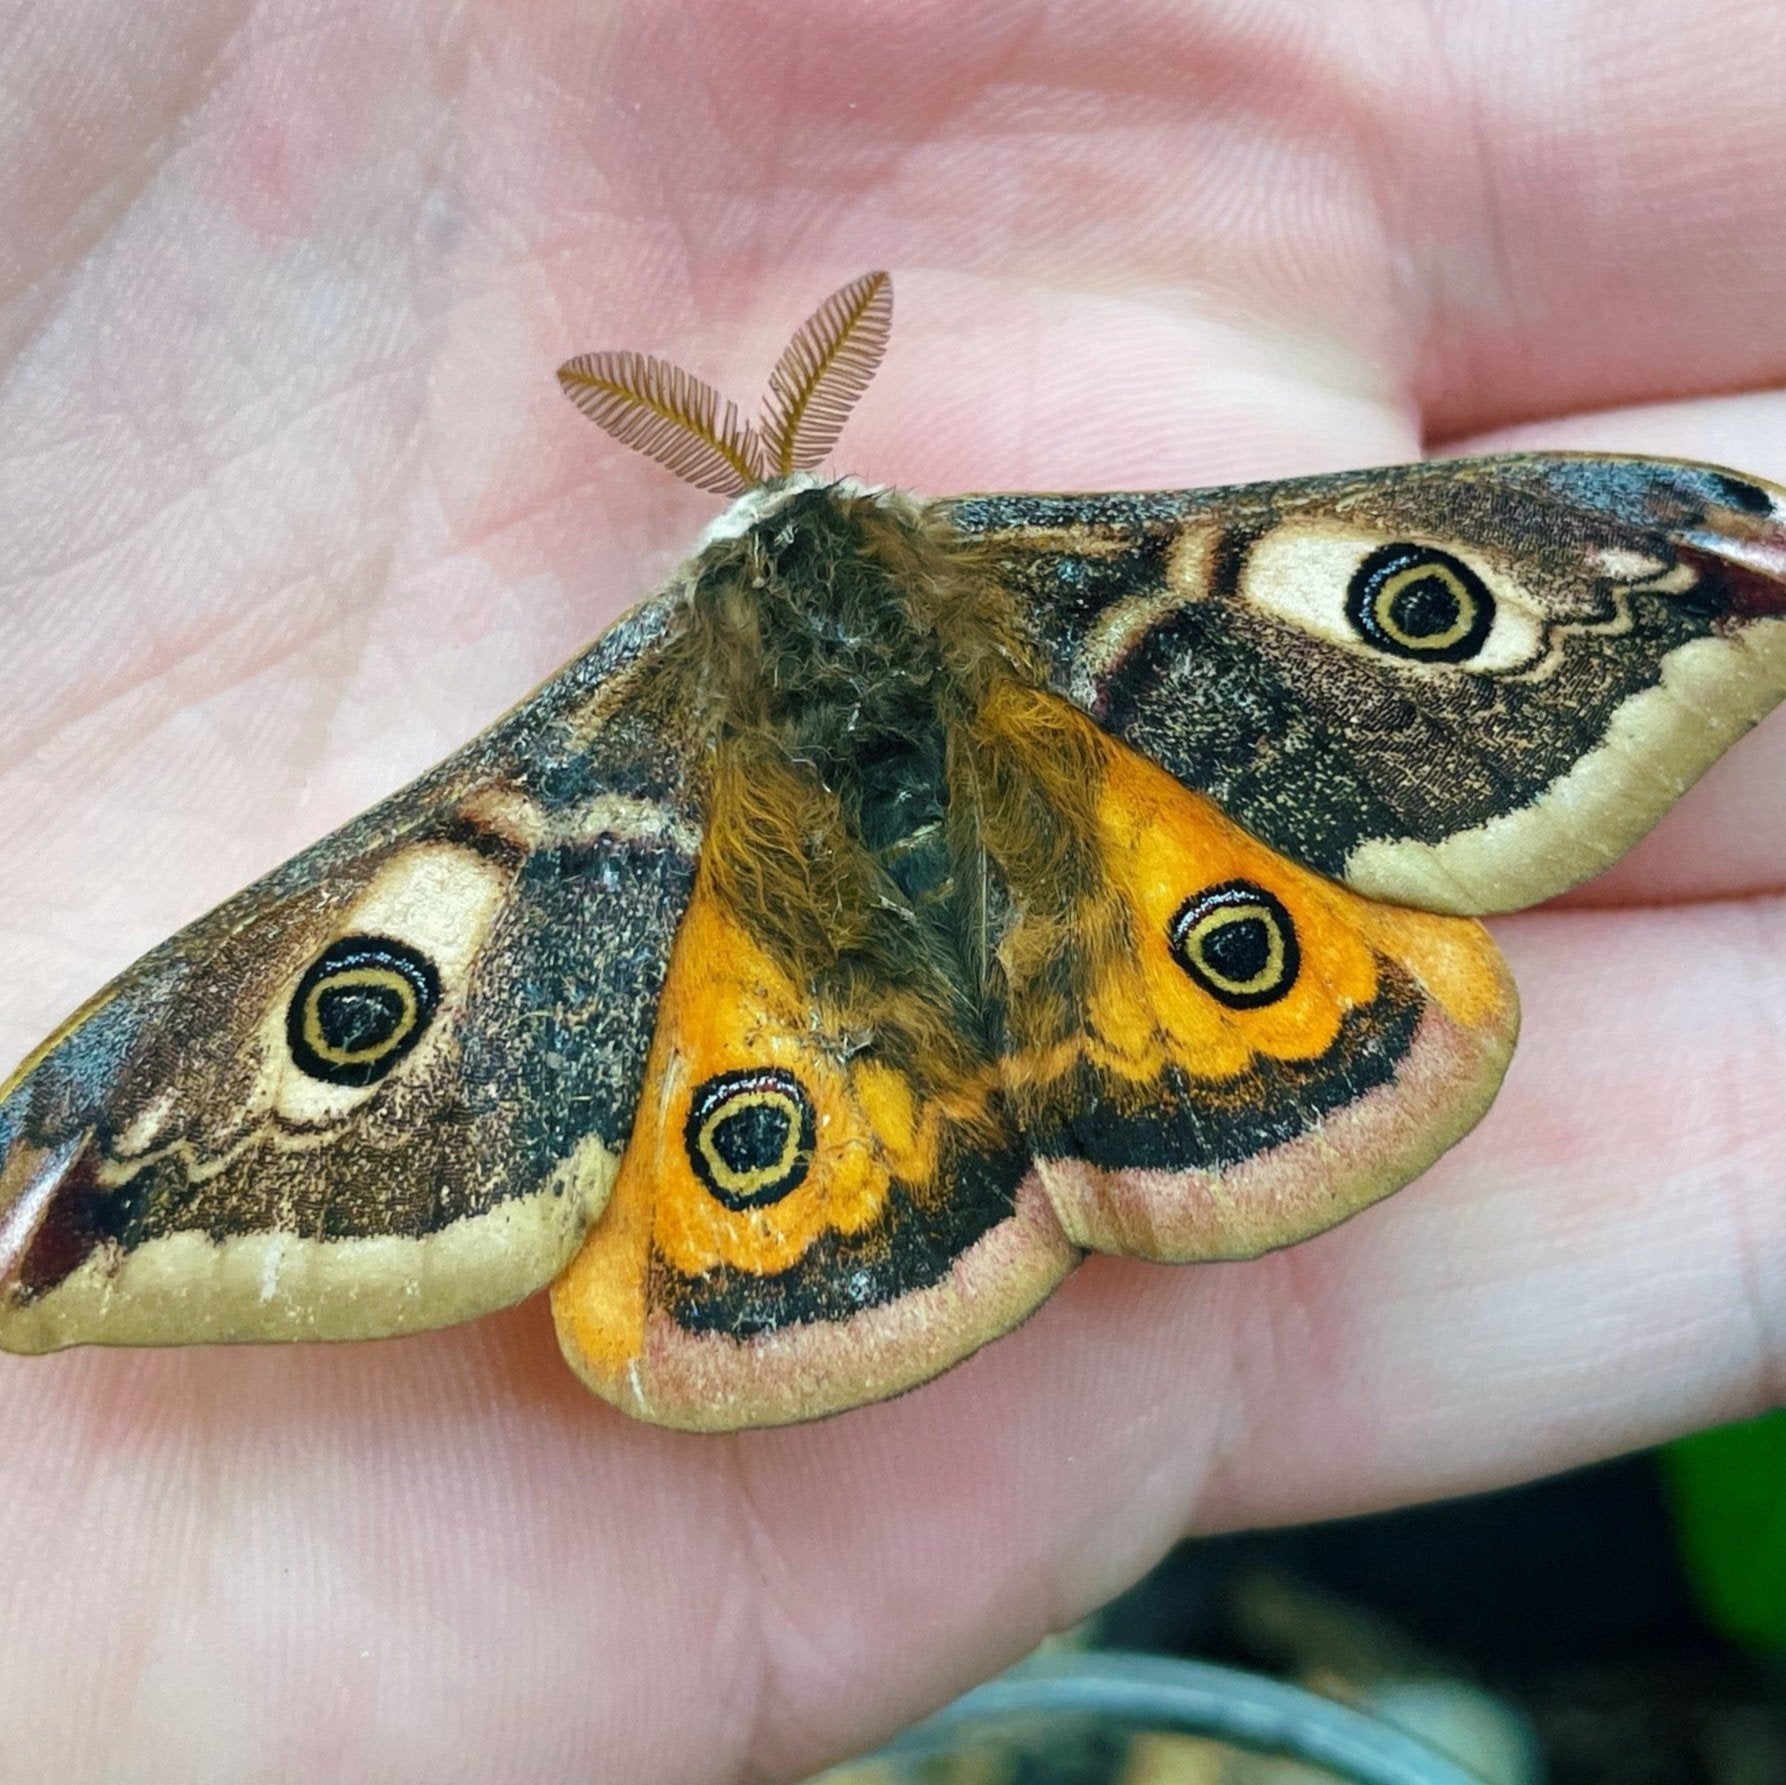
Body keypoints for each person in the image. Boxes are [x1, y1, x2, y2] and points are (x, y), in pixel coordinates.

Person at [1, 2, 1782, 1779]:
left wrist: (1688, 563)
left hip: (800, 1023)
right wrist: (82, 1170)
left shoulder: (568, 787)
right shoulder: (1119, 587)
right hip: (1130, 913)